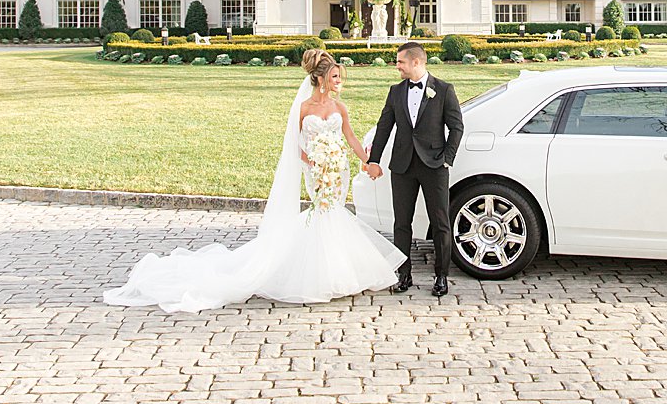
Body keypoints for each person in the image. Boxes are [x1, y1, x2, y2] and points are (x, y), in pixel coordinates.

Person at [102, 49, 403, 311]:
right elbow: (293, 145)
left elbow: (350, 137)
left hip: (338, 169)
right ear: (322, 78)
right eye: (336, 77)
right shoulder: (302, 109)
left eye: (341, 77)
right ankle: (320, 275)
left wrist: (369, 162)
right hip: (317, 169)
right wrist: (311, 160)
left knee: (335, 211)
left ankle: (341, 273)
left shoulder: (339, 108)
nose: (340, 82)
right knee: (322, 211)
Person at [366, 41, 465, 297]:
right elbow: (384, 127)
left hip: (435, 166)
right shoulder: (395, 91)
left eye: (400, 62)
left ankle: (441, 276)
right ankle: (404, 274)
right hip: (402, 166)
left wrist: (447, 158)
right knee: (402, 223)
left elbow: (457, 127)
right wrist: (373, 160)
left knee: (440, 222)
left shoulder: (443, 90)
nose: (396, 66)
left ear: (416, 62)